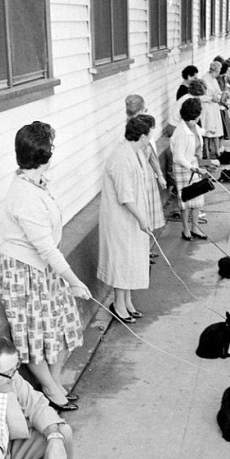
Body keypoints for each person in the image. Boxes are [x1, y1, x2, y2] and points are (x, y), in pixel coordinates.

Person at [0, 121, 91, 412]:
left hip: (44, 268)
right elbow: (45, 247)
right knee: (35, 334)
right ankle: (49, 387)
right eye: (51, 145)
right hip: (24, 271)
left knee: (63, 328)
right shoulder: (24, 196)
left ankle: (55, 380)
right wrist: (74, 280)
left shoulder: (34, 181)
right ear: (44, 153)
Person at [0, 332, 73, 459]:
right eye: (9, 373)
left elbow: (37, 405)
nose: (15, 376)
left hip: (8, 448)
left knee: (62, 433)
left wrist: (54, 438)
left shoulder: (8, 377)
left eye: (16, 367)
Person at [97, 116, 153, 323]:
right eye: (149, 135)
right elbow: (125, 196)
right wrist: (142, 220)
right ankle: (118, 305)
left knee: (129, 261)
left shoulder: (133, 153)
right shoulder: (121, 157)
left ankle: (127, 301)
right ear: (142, 136)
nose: (150, 139)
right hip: (120, 219)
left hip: (129, 219)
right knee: (122, 261)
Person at [125, 95, 166, 262]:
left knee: (148, 213)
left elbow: (153, 154)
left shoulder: (145, 125)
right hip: (140, 177)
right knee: (142, 213)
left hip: (148, 174)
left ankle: (146, 248)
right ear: (139, 111)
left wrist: (159, 174)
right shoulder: (134, 130)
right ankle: (142, 251)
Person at [170, 98, 209, 240]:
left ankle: (195, 228)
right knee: (186, 200)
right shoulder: (181, 132)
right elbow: (178, 157)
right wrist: (194, 168)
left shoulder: (192, 125)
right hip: (184, 168)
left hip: (193, 164)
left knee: (197, 199)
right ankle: (186, 229)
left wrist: (207, 131)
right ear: (195, 114)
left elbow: (199, 131)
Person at [201, 61, 224, 159]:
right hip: (207, 108)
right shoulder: (204, 79)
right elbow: (201, 96)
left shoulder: (214, 79)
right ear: (216, 70)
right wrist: (211, 98)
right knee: (207, 130)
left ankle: (217, 151)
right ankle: (206, 151)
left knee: (217, 129)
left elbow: (218, 91)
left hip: (214, 107)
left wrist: (219, 96)